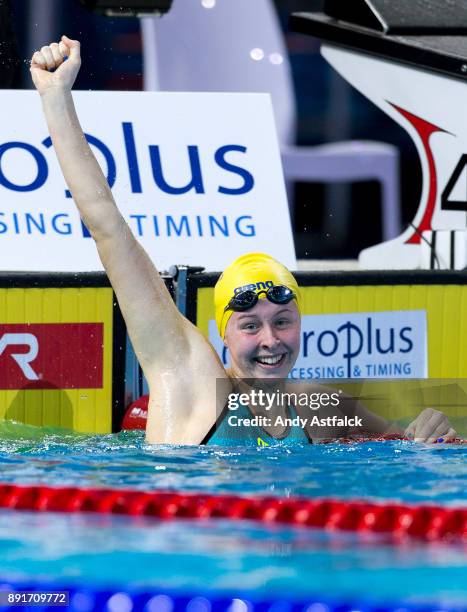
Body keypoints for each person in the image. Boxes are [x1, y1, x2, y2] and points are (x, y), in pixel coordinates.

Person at [30, 37, 457, 445]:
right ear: (223, 332)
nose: (271, 340)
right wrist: (56, 97)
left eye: (283, 321)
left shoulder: (320, 409)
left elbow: (404, 447)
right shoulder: (190, 382)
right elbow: (108, 229)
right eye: (250, 326)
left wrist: (431, 433)